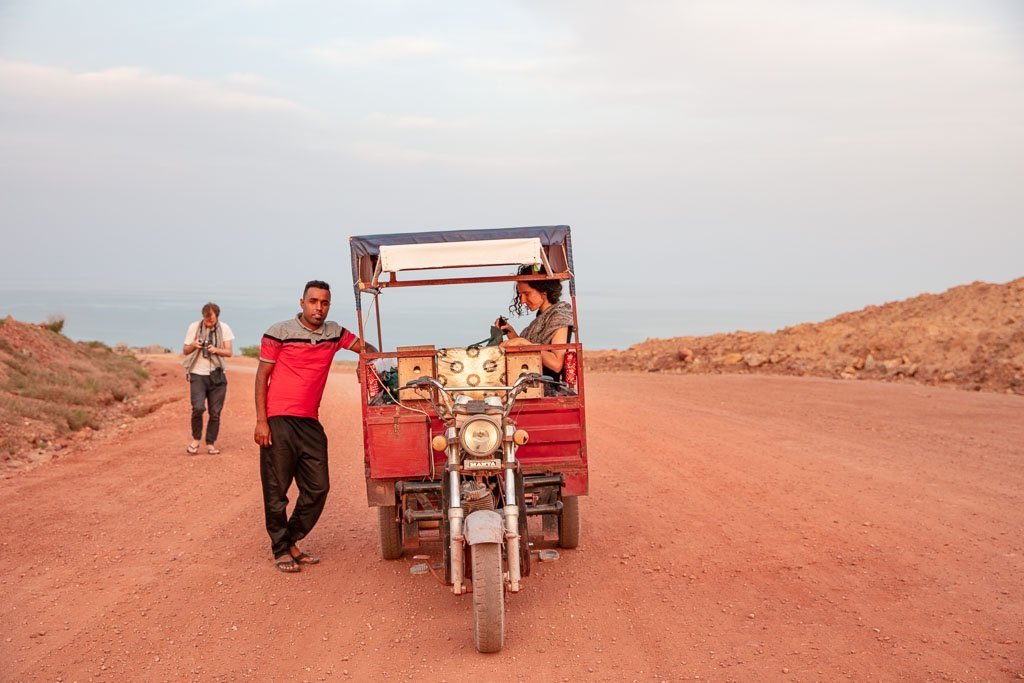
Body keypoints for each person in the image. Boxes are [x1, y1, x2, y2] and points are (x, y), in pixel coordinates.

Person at [254, 280, 375, 573]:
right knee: (277, 490)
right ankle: (281, 549)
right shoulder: (278, 332)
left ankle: (291, 539)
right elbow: (262, 377)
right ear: (302, 302)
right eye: (313, 302)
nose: (318, 308)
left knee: (318, 488)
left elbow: (367, 348)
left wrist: (366, 364)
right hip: (279, 420)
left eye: (324, 303)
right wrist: (261, 420)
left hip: (310, 422)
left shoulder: (333, 333)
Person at [495, 265, 574, 376]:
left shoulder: (560, 316)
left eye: (527, 294)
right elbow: (530, 349)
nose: (522, 300)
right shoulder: (542, 316)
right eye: (520, 295)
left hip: (545, 385)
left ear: (544, 291)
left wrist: (523, 343)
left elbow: (556, 364)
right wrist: (510, 331)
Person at [182, 302, 234, 455]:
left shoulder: (224, 328)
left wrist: (215, 350)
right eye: (206, 320)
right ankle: (196, 439)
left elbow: (229, 352)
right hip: (198, 374)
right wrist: (193, 345)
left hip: (217, 375)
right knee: (198, 408)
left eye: (211, 320)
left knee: (215, 412)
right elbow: (185, 350)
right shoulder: (194, 327)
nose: (209, 323)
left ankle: (210, 443)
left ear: (217, 316)